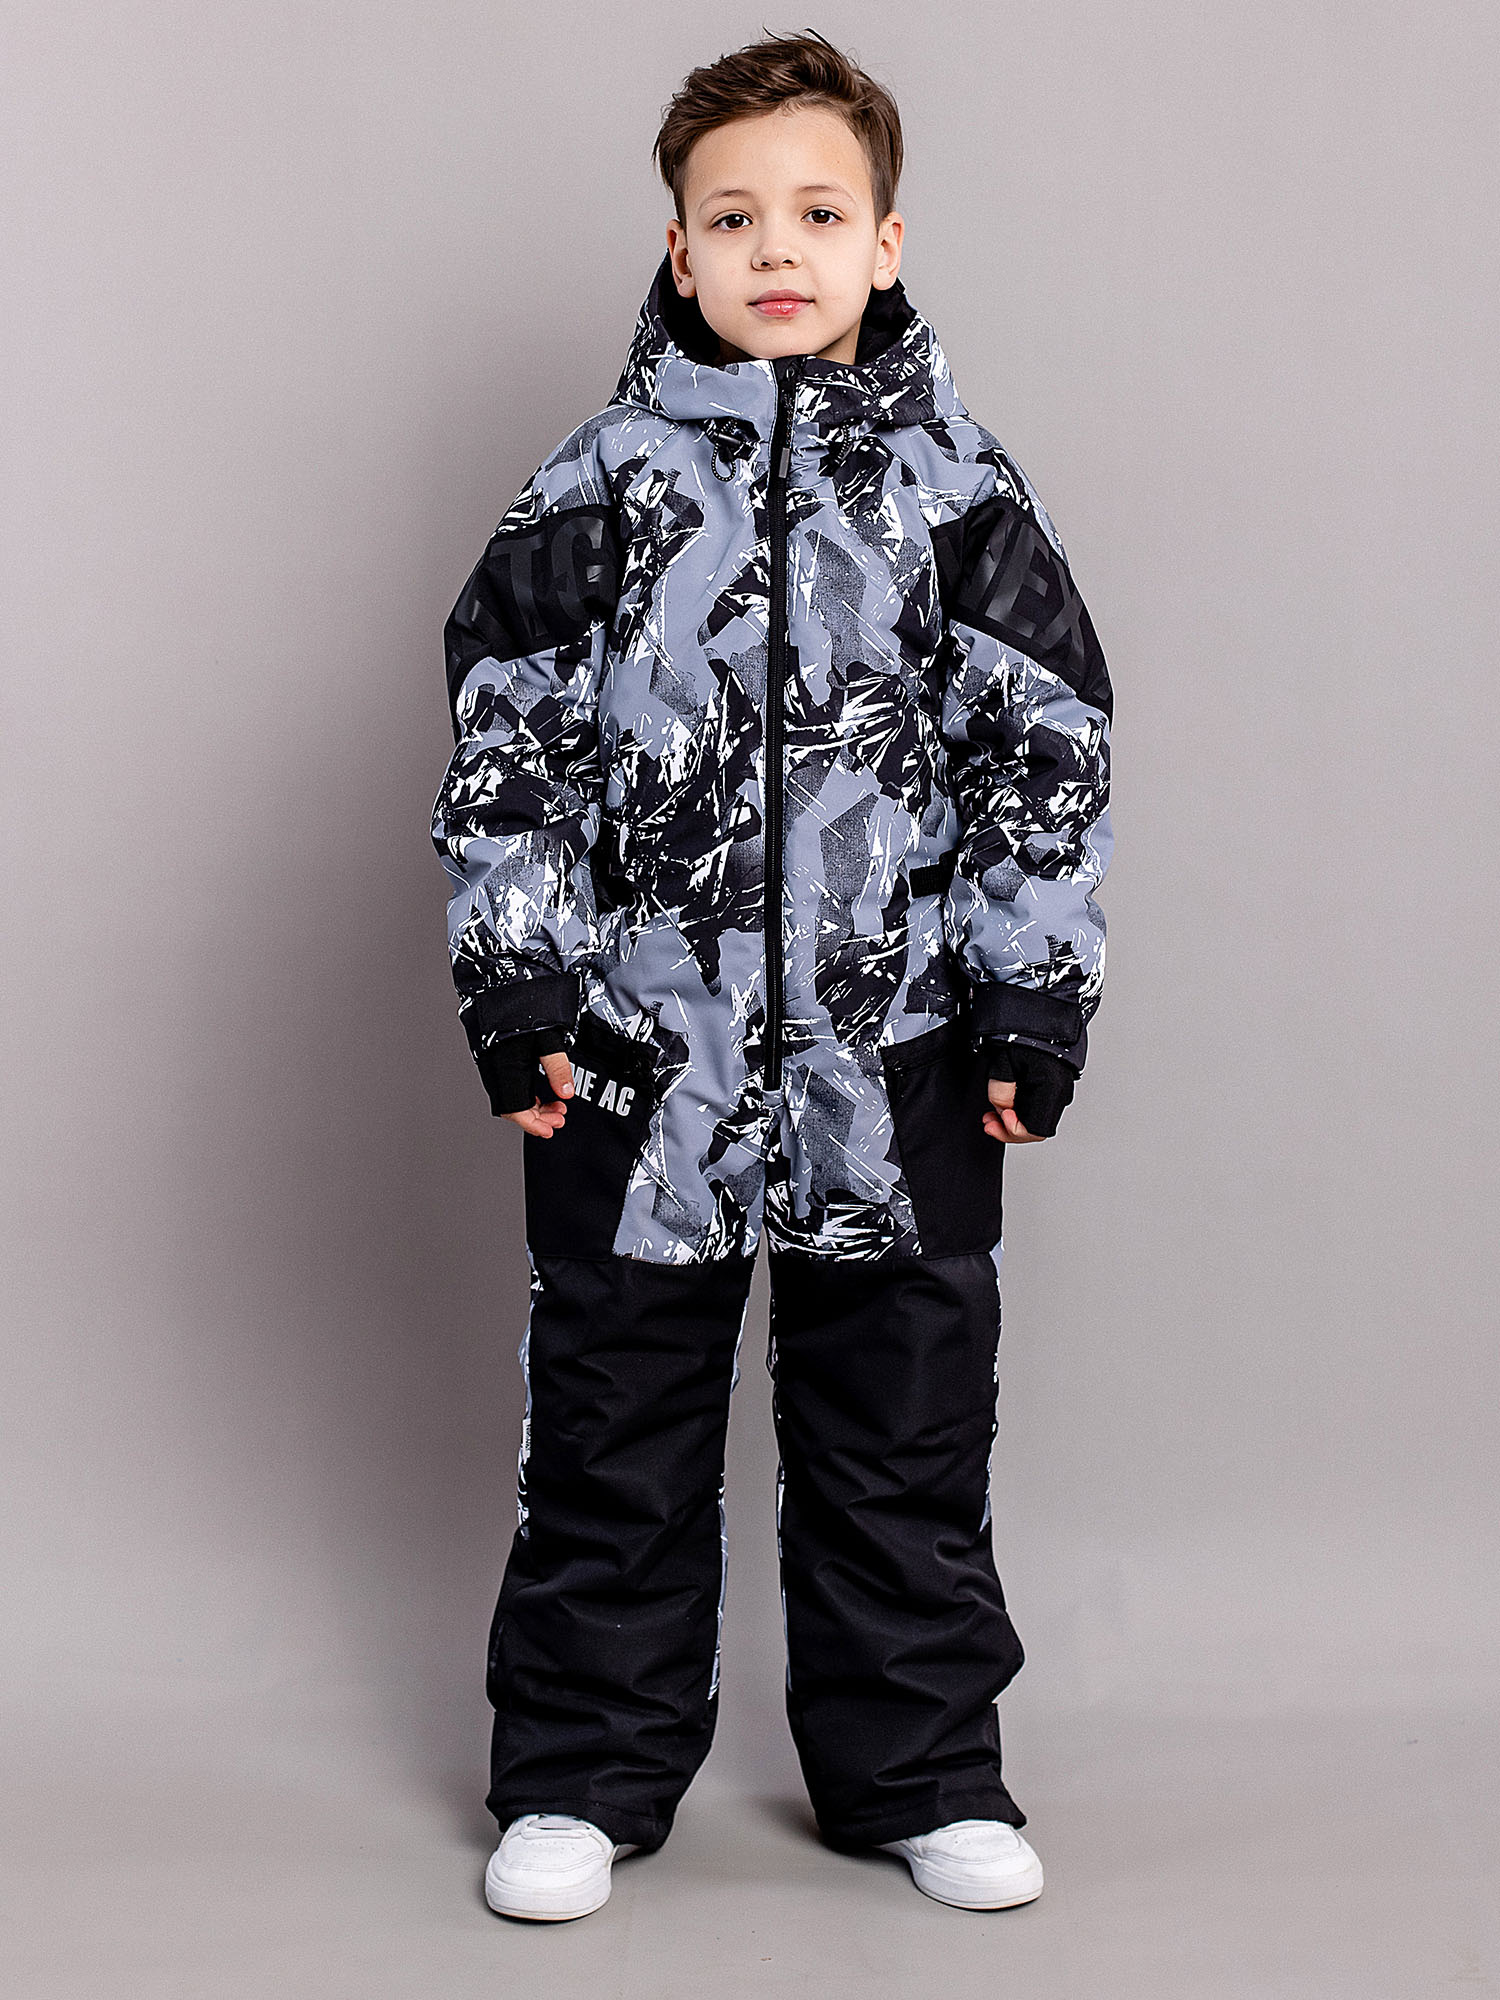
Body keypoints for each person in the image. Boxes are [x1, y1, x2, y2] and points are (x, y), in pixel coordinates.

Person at [428, 29, 1113, 1924]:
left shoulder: (959, 488)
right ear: (678, 250)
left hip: (897, 1067)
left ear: (887, 242)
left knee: (904, 1436)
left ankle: (927, 1771)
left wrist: (1029, 1001)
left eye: (818, 213)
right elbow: (508, 747)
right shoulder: (595, 487)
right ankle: (579, 1777)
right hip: (640, 1069)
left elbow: (1046, 747)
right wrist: (522, 991)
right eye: (732, 219)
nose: (776, 248)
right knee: (611, 1435)